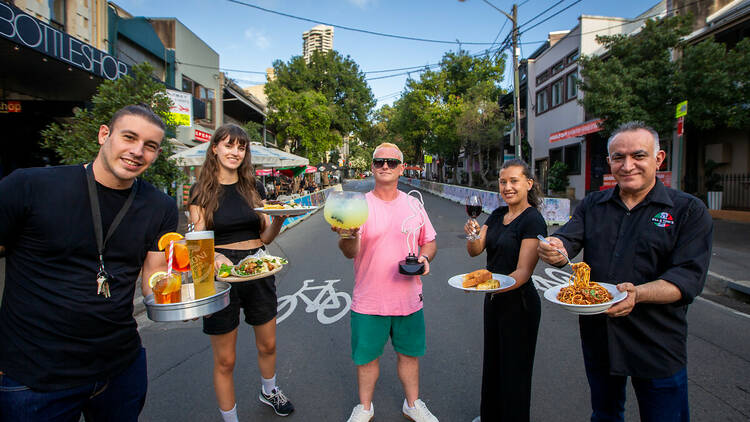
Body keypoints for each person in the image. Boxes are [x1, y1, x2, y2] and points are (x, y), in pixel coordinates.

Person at [0, 104, 177, 421]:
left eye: (150, 146)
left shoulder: (160, 206)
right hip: (35, 378)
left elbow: (153, 275)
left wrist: (176, 302)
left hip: (121, 367)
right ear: (104, 135)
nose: (137, 151)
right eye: (129, 137)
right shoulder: (28, 186)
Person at [537, 121, 713, 422]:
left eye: (638, 156)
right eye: (618, 157)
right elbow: (569, 238)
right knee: (604, 414)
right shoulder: (593, 204)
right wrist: (555, 247)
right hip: (600, 335)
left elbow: (688, 278)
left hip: (658, 341)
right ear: (609, 162)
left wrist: (639, 293)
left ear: (658, 159)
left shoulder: (688, 211)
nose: (627, 165)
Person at [188, 123, 294, 421]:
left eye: (241, 147)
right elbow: (197, 245)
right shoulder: (201, 192)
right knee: (225, 359)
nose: (235, 152)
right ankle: (230, 417)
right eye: (229, 145)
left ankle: (269, 390)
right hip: (220, 276)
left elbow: (265, 238)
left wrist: (278, 221)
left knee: (268, 343)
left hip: (258, 265)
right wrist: (211, 265)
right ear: (215, 149)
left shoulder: (253, 187)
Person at [334, 143, 439, 422]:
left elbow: (429, 241)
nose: (385, 166)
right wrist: (348, 236)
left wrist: (425, 259)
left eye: (392, 162)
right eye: (379, 161)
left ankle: (412, 404)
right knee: (367, 359)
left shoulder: (414, 204)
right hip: (369, 300)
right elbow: (349, 252)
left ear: (401, 169)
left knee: (410, 355)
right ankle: (365, 407)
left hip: (409, 298)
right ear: (372, 166)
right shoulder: (359, 205)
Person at [464, 159, 547, 422]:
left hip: (519, 304)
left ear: (528, 184)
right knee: (493, 364)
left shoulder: (533, 220)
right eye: (503, 182)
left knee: (515, 371)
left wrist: (486, 286)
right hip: (494, 301)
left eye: (514, 181)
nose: (507, 187)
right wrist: (472, 235)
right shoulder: (498, 214)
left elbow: (523, 272)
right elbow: (475, 251)